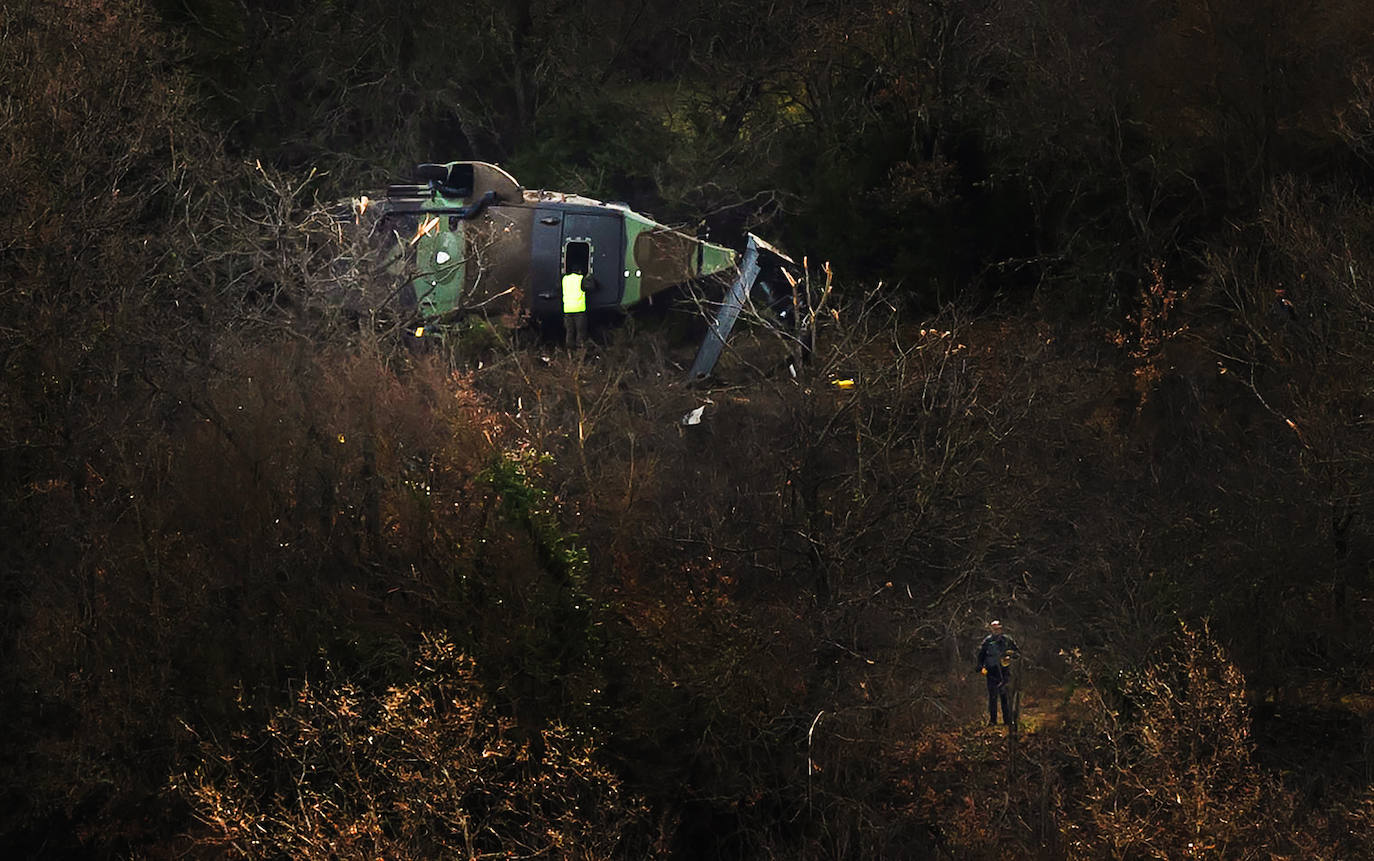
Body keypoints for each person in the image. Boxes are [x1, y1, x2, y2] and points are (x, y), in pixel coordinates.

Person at [975, 619, 1020, 726]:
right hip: (991, 672)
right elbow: (981, 655)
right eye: (993, 629)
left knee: (1005, 696)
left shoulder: (1007, 640)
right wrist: (980, 666)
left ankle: (1007, 721)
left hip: (1004, 672)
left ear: (1000, 629)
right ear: (991, 630)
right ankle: (993, 720)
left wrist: (1010, 655)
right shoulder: (987, 641)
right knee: (992, 697)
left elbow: (1017, 653)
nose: (996, 631)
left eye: (997, 628)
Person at [562, 266, 588, 348]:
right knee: (580, 332)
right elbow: (591, 286)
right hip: (579, 310)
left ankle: (569, 353)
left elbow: (558, 288)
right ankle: (580, 352)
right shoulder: (580, 279)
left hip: (567, 310)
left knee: (569, 332)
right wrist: (589, 278)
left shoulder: (565, 279)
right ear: (579, 271)